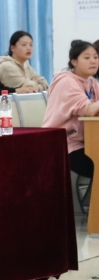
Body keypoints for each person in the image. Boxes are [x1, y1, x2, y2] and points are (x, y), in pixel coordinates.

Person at [43, 40, 99, 178]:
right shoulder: (67, 82)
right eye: (87, 57)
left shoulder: (92, 82)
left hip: (84, 141)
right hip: (63, 144)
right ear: (74, 61)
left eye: (96, 57)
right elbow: (89, 110)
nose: (93, 61)